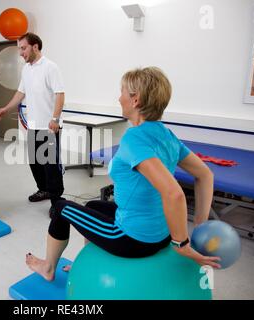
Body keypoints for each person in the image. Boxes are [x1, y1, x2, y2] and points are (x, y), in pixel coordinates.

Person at [25, 67, 221, 281]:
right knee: (92, 207)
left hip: (133, 238)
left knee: (60, 208)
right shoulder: (167, 135)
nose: (119, 98)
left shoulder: (134, 138)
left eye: (122, 92)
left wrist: (182, 243)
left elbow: (174, 194)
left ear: (135, 100)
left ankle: (48, 268)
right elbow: (205, 175)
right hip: (160, 233)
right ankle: (91, 264)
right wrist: (200, 225)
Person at [0, 32, 65, 214]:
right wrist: (6, 108)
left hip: (49, 127)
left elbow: (59, 94)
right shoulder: (26, 69)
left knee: (50, 166)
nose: (20, 52)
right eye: (19, 48)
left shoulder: (50, 67)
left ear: (35, 46)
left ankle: (57, 201)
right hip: (33, 125)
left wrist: (55, 119)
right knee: (35, 162)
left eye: (23, 48)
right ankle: (44, 190)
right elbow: (20, 93)